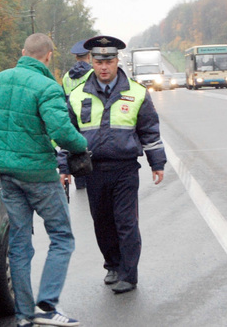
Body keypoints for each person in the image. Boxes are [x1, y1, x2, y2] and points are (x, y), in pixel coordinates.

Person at [0, 33, 86, 327]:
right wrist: (81, 146)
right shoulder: (47, 86)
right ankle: (47, 305)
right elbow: (61, 131)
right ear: (49, 56)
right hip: (39, 174)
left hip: (7, 174)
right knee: (62, 237)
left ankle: (24, 314)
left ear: (23, 51)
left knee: (20, 242)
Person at [59, 35, 167, 294]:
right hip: (93, 170)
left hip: (125, 169)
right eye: (99, 61)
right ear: (92, 62)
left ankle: (129, 275)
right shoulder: (77, 95)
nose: (104, 67)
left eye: (108, 61)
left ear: (117, 61)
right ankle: (113, 265)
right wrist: (64, 167)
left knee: (126, 223)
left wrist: (157, 162)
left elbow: (149, 130)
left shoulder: (137, 92)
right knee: (102, 222)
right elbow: (67, 134)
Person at [61, 39, 93, 190]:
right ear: (89, 56)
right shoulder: (93, 74)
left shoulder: (67, 77)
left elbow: (64, 99)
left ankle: (80, 180)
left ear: (75, 57)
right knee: (90, 147)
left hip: (73, 116)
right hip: (90, 116)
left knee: (75, 146)